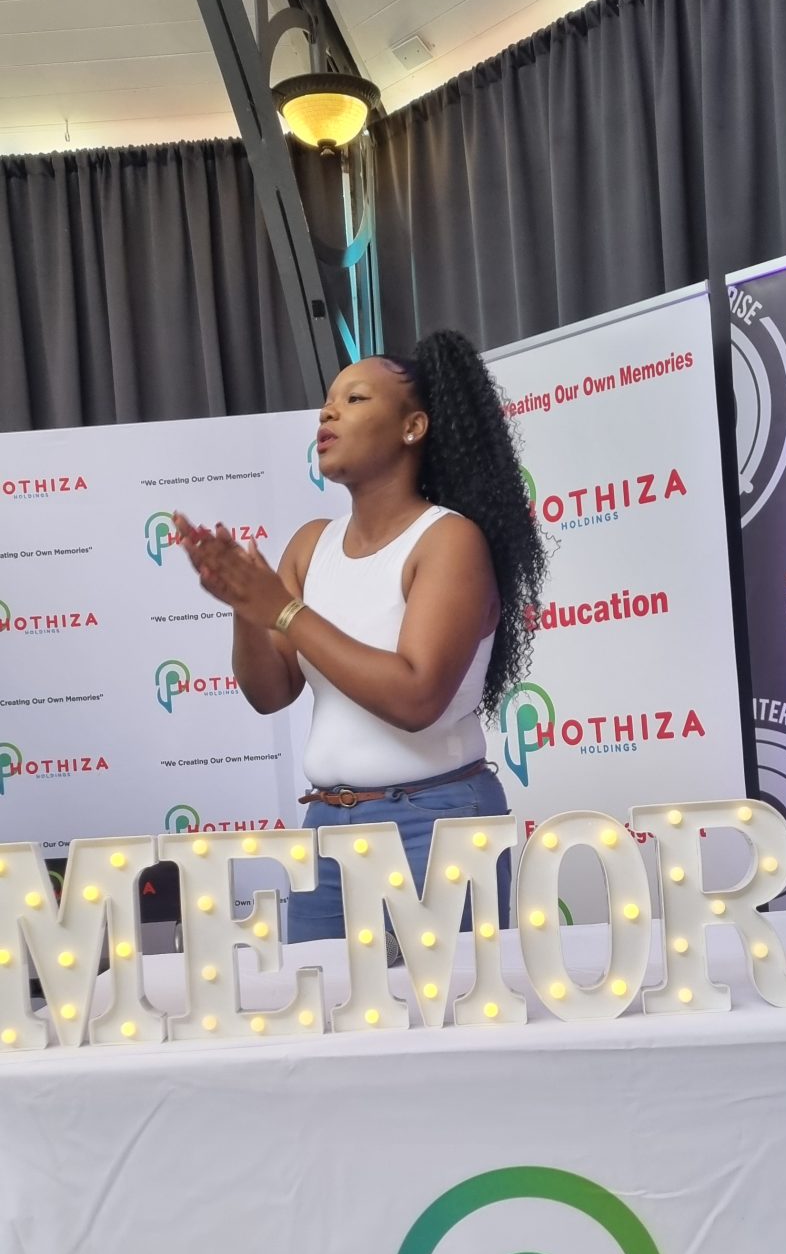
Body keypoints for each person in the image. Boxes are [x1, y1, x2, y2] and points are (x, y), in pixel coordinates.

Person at [174, 330, 546, 943]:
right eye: (327, 402)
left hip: (435, 823)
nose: (328, 413)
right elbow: (270, 692)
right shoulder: (310, 544)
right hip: (327, 828)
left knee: (444, 1006)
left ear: (412, 427)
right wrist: (245, 605)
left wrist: (284, 611)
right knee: (322, 1005)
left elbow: (416, 697)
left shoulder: (448, 540)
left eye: (354, 399)